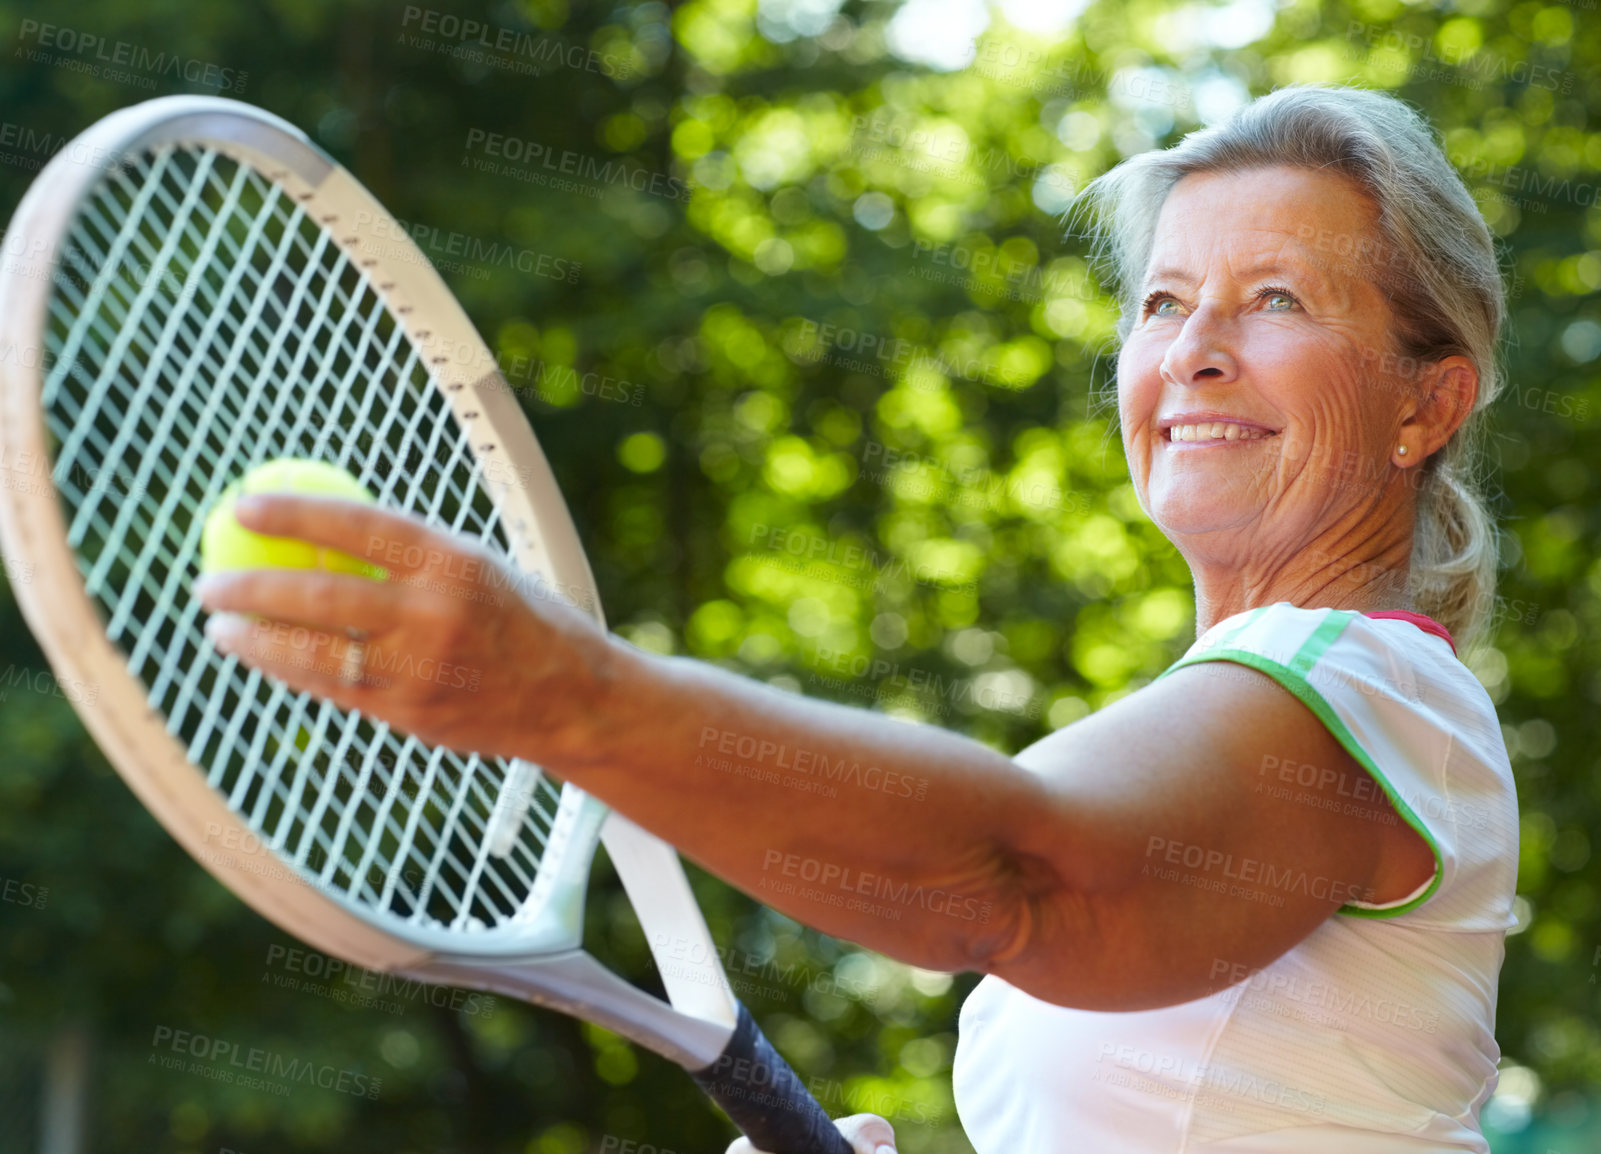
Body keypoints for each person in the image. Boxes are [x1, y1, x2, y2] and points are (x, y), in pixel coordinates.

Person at [194, 82, 1520, 1153]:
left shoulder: (1370, 695)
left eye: (1276, 297)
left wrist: (565, 695)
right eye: (1164, 301)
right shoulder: (1269, 706)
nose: (1194, 349)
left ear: (1426, 402)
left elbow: (1014, 875)